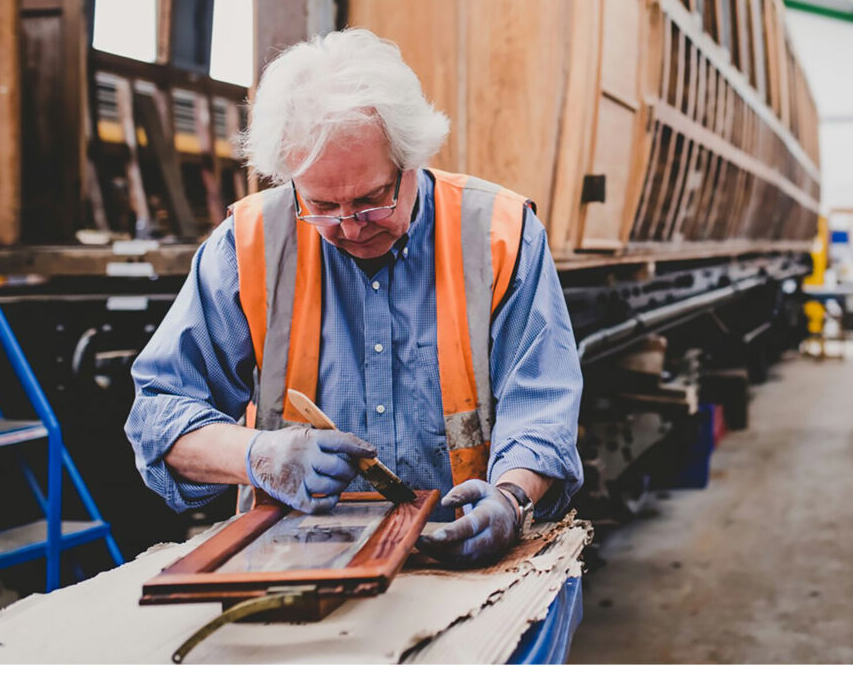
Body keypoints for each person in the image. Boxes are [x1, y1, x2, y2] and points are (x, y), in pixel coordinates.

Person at [125, 28, 583, 567]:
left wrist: (509, 500)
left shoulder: (500, 233)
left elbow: (542, 409)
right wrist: (260, 456)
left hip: (467, 558)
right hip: (295, 559)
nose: (348, 227)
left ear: (411, 161)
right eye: (320, 204)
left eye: (370, 200)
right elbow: (158, 417)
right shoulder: (248, 245)